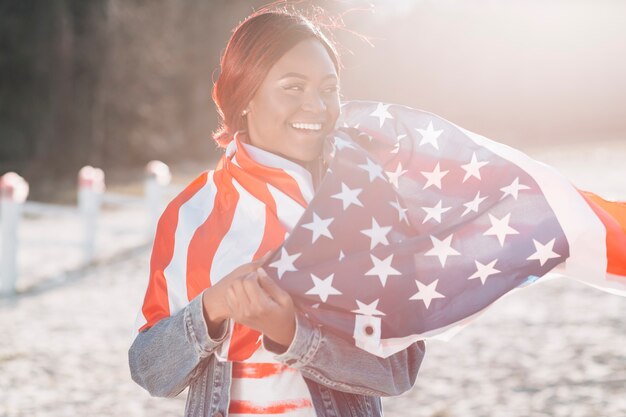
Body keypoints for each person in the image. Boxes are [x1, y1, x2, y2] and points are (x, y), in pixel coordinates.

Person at [129, 7, 426, 417]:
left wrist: (294, 335)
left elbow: (400, 368)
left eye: (328, 88)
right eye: (293, 87)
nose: (317, 106)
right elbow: (149, 370)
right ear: (246, 96)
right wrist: (213, 307)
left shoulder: (364, 202)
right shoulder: (191, 214)